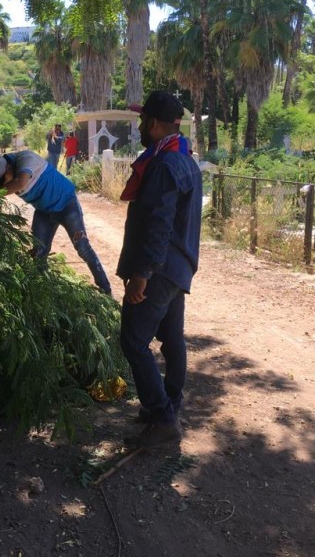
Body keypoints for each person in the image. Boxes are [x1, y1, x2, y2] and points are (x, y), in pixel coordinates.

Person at [118, 90, 202, 449]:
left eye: (141, 121)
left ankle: (163, 418)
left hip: (159, 269)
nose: (139, 127)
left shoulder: (164, 165)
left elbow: (159, 222)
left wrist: (143, 272)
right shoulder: (184, 160)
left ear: (153, 124)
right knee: (171, 340)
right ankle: (168, 406)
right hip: (178, 267)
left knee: (133, 342)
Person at [0, 150, 112, 294]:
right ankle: (47, 291)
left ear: (8, 168)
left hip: (67, 205)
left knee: (83, 248)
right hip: (44, 212)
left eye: (2, 182)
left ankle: (106, 290)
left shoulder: (26, 159)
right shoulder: (2, 167)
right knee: (38, 255)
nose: (3, 187)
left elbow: (20, 183)